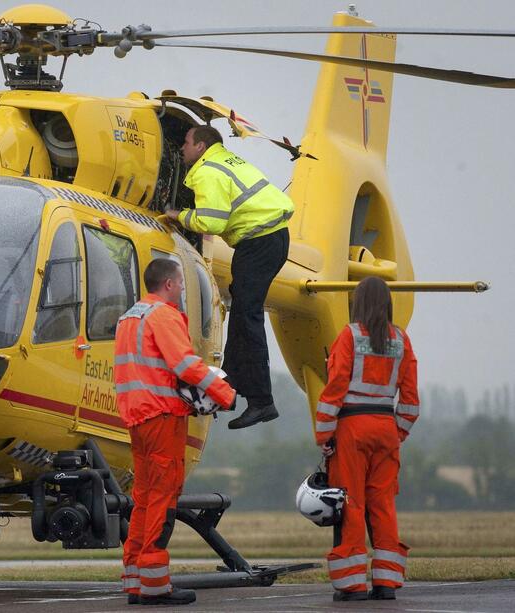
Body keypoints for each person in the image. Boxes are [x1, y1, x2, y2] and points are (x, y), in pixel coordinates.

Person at [114, 258, 236, 606]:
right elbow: (184, 364)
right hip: (162, 415)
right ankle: (155, 585)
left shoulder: (128, 318)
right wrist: (224, 393)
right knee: (163, 496)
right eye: (181, 282)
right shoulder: (163, 315)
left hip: (137, 417)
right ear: (168, 284)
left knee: (144, 497)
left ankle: (136, 579)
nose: (183, 288)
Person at [162, 125, 294, 429]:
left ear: (201, 146)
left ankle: (262, 401)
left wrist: (177, 216)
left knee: (248, 316)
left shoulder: (208, 170)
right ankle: (232, 381)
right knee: (241, 313)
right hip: (268, 239)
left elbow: (211, 221)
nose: (182, 148)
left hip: (259, 241)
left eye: (185, 142)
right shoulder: (226, 160)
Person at [314, 277, 419, 602]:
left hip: (352, 428)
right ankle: (387, 583)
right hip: (386, 428)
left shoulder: (350, 335)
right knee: (384, 505)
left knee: (352, 504)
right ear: (387, 303)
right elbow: (411, 399)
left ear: (358, 302)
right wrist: (397, 432)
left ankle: (352, 584)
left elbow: (335, 387)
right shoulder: (401, 340)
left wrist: (324, 434)